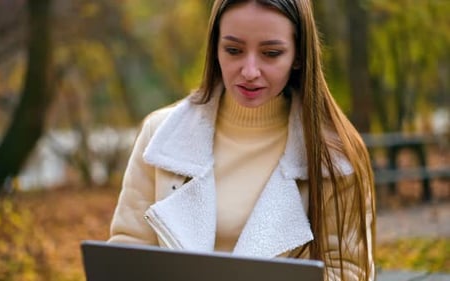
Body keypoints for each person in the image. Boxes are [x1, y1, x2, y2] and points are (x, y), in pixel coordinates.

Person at [108, 0, 376, 280]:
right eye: (233, 50)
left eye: (271, 53)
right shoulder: (159, 134)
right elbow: (129, 255)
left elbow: (348, 271)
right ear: (215, 49)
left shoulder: (335, 155)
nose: (249, 71)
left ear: (298, 55)